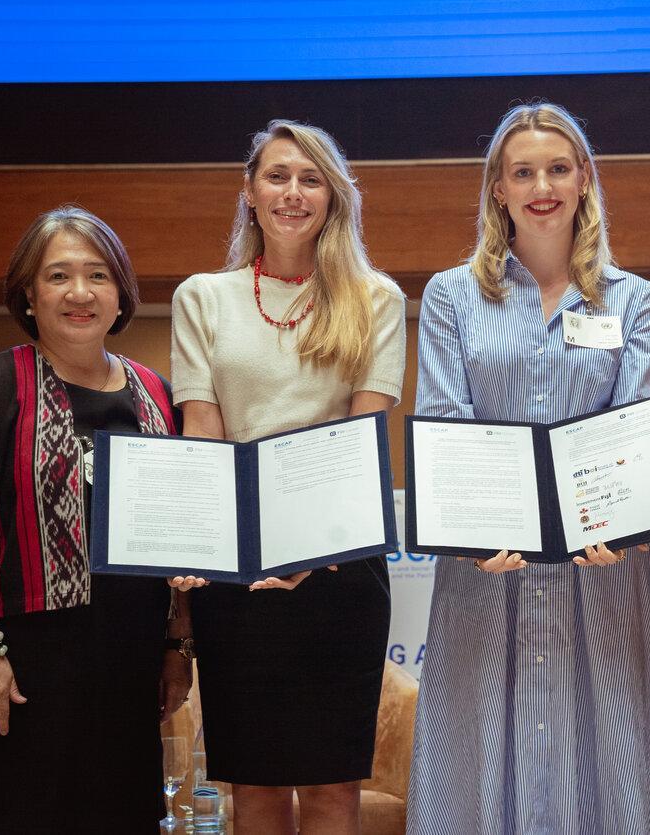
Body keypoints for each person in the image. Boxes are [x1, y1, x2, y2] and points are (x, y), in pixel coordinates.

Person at [407, 102, 650, 834]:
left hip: (604, 571)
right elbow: (446, 418)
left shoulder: (631, 299)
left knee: (612, 762)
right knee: (478, 761)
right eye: (523, 172)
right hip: (485, 573)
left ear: (584, 178)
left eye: (558, 169)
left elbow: (634, 418)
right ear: (497, 188)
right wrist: (475, 531)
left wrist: (622, 523)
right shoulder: (451, 296)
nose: (542, 187)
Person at [169, 119, 405, 834]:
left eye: (311, 179)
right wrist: (217, 547)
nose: (293, 192)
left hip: (338, 569)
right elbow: (202, 434)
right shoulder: (202, 296)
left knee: (333, 787)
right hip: (239, 576)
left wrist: (308, 549)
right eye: (277, 176)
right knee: (255, 788)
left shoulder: (375, 298)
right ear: (250, 191)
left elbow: (364, 439)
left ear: (334, 197)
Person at [0, 205, 188, 834]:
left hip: (132, 660)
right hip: (24, 666)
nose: (80, 293)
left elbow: (181, 535)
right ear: (28, 294)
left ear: (120, 295)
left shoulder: (159, 395)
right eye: (58, 276)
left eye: (98, 275)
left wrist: (178, 646)